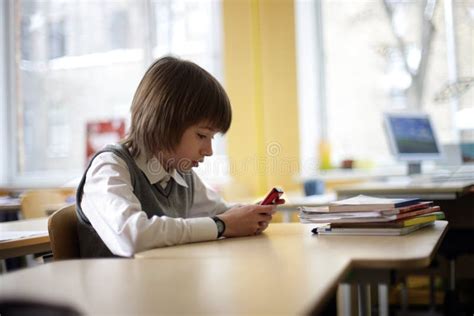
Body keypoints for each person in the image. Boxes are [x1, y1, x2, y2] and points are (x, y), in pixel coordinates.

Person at [76, 56, 284, 258]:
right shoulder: (109, 167)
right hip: (117, 291)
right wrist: (222, 225)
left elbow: (220, 212)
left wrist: (251, 214)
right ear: (164, 123)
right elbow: (132, 236)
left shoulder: (180, 173)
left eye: (212, 137)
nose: (209, 150)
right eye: (202, 135)